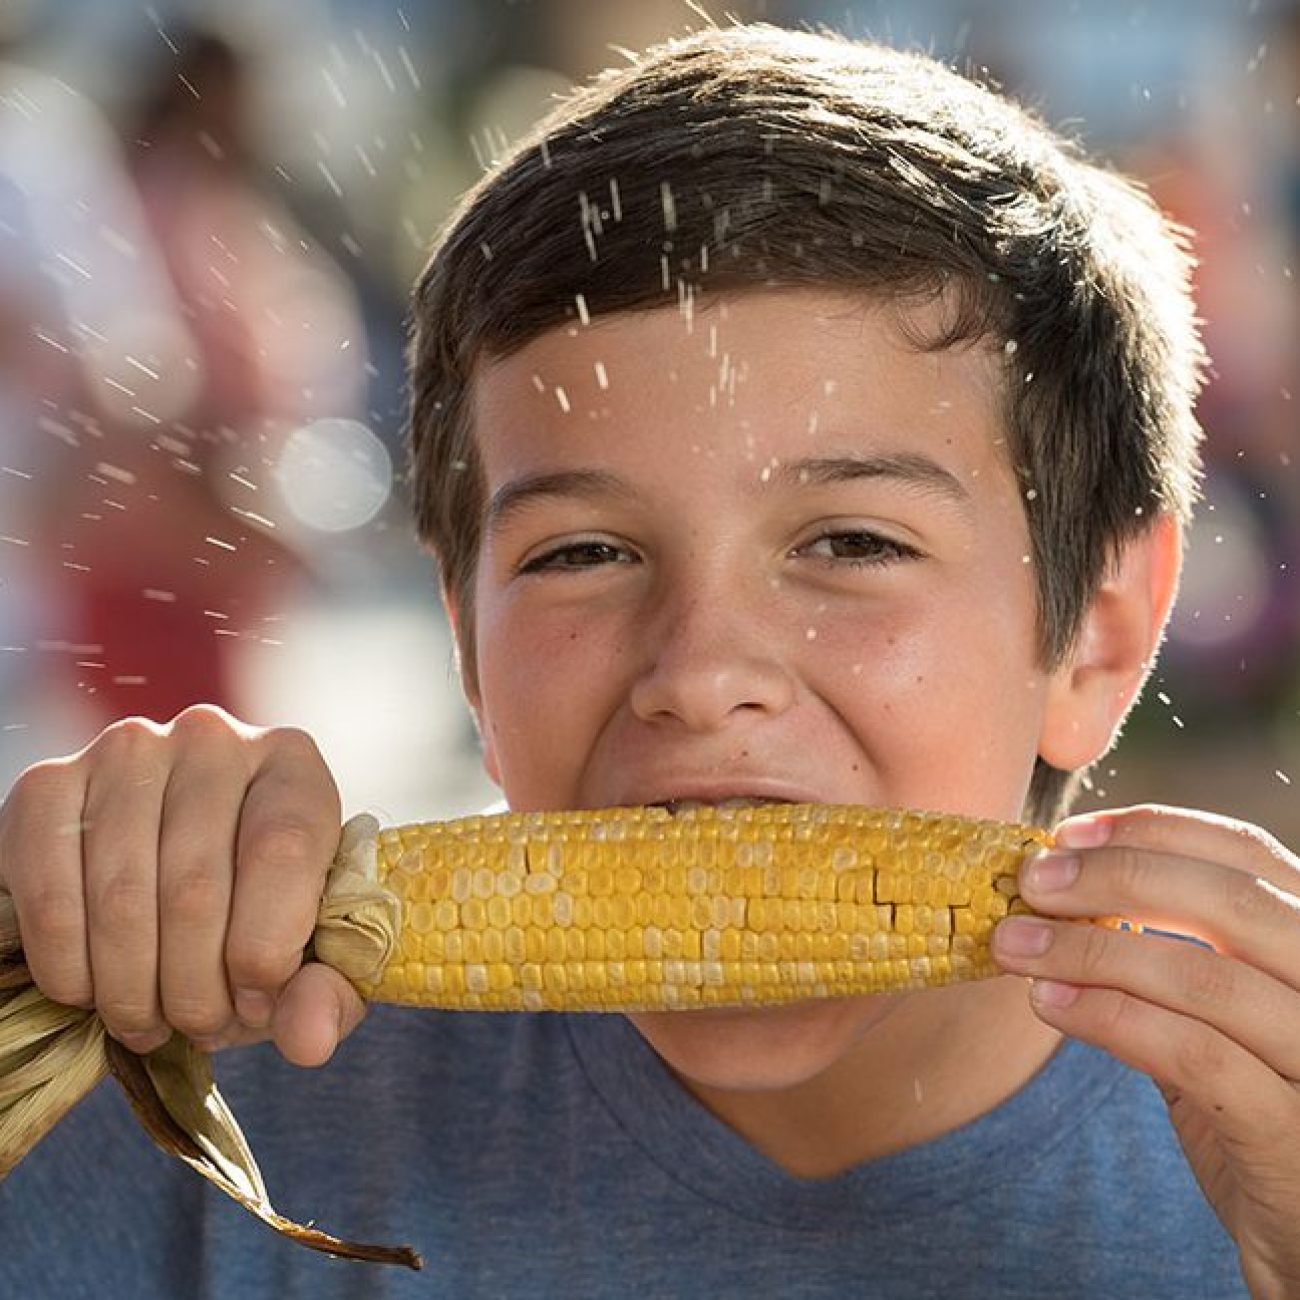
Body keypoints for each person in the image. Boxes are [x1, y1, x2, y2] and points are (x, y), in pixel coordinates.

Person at [0, 23, 1295, 1299]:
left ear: (1101, 633)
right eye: (582, 555)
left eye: (850, 540)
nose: (698, 670)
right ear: (464, 639)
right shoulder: (190, 1122)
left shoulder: (1267, 1177)